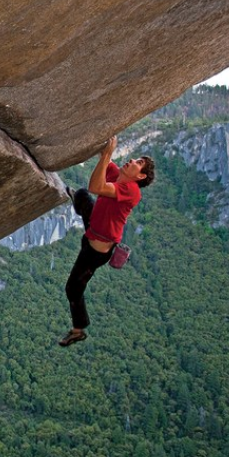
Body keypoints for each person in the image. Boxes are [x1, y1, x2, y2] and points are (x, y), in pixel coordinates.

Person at [58, 136, 155, 346]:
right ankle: (78, 203)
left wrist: (109, 154)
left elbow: (96, 185)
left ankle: (78, 330)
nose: (133, 160)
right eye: (136, 158)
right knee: (82, 196)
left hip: (96, 251)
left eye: (139, 163)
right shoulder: (119, 175)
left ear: (140, 176)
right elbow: (102, 157)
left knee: (73, 288)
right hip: (94, 228)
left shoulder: (132, 192)